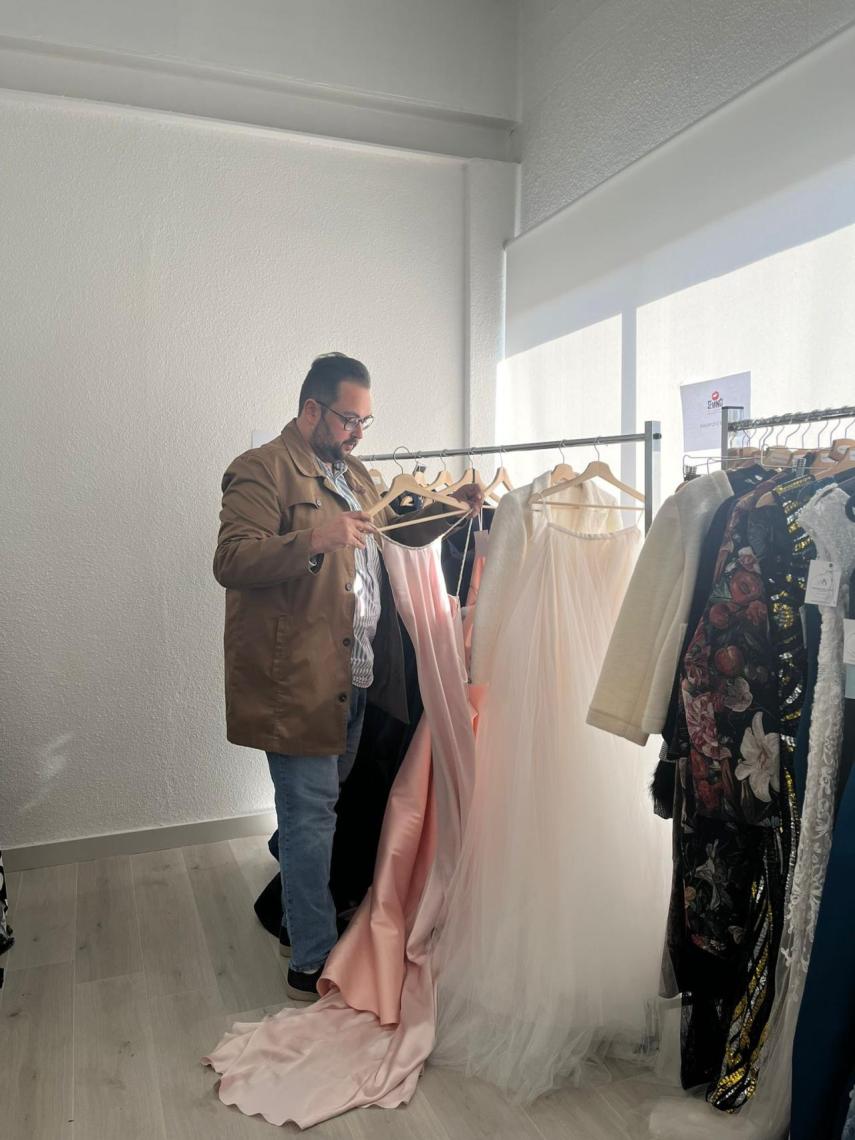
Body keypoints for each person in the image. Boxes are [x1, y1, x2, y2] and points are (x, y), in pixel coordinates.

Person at [213, 352, 481, 1000]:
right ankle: (309, 961)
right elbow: (232, 559)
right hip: (299, 678)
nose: (359, 432)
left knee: (326, 809)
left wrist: (452, 512)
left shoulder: (355, 472)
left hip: (357, 674)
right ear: (312, 410)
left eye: (365, 421)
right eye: (349, 419)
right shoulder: (260, 471)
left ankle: (306, 912)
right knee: (310, 817)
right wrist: (314, 540)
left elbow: (394, 530)